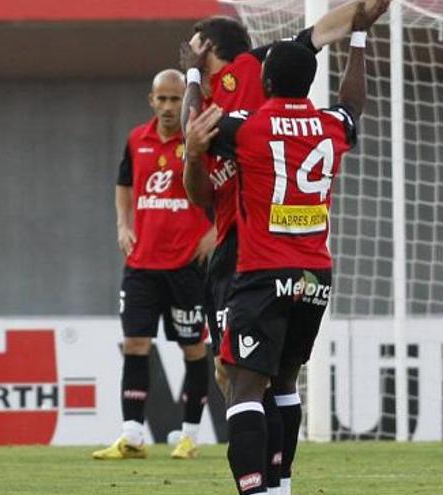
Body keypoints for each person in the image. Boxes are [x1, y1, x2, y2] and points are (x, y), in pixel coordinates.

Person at [180, 3, 388, 493]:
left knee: (241, 381)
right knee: (284, 381)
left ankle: (255, 487)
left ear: (266, 81)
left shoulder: (248, 125)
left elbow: (196, 132)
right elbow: (352, 105)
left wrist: (191, 77)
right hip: (314, 272)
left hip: (256, 263)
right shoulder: (330, 125)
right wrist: (359, 36)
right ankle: (280, 486)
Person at [92, 69, 215, 461]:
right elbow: (124, 183)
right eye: (161, 99)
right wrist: (123, 224)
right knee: (135, 344)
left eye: (175, 99)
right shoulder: (136, 139)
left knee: (194, 350)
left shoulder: (200, 140)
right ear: (151, 101)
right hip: (142, 263)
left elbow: (229, 186)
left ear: (187, 101)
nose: (167, 107)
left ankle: (190, 436)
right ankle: (132, 436)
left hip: (186, 266)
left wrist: (215, 232)